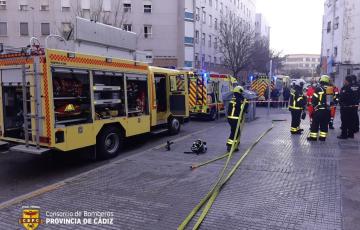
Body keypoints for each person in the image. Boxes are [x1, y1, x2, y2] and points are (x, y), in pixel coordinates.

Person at [307, 75, 331, 141]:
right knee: (324, 124)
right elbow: (331, 101)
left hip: (319, 110)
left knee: (315, 124)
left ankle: (313, 137)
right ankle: (322, 137)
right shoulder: (330, 89)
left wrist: (314, 106)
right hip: (327, 110)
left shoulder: (318, 88)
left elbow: (314, 99)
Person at [226, 86, 247, 152]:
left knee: (234, 131)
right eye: (242, 92)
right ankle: (230, 146)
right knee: (235, 132)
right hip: (235, 118)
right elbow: (241, 108)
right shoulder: (239, 99)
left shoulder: (234, 98)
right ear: (239, 91)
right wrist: (246, 104)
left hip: (230, 118)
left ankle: (235, 145)